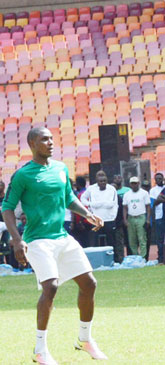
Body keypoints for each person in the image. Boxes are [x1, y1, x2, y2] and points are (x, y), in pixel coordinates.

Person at [1, 127, 107, 364]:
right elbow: (7, 207)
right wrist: (17, 239)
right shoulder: (23, 175)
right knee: (51, 287)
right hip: (38, 240)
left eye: (51, 138)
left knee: (89, 283)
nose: (50, 142)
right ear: (32, 144)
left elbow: (69, 198)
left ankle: (84, 339)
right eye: (44, 139)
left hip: (62, 237)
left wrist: (88, 214)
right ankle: (40, 351)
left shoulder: (60, 168)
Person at [80, 171, 118, 247]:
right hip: (95, 220)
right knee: (94, 242)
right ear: (96, 179)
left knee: (111, 242)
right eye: (99, 177)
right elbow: (82, 198)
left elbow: (112, 204)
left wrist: (113, 217)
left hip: (109, 220)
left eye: (104, 179)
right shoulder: (91, 188)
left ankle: (113, 258)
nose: (102, 182)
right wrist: (90, 205)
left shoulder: (111, 189)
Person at [123, 177, 151, 259]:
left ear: (138, 183)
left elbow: (148, 207)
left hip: (141, 217)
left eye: (135, 183)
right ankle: (136, 257)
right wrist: (125, 219)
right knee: (132, 240)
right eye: (132, 183)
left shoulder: (144, 193)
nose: (134, 185)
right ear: (130, 184)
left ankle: (143, 257)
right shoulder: (127, 194)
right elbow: (124, 207)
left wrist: (148, 219)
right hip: (131, 217)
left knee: (142, 238)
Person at [72, 176, 92, 248]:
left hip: (83, 222)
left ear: (78, 184)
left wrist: (80, 221)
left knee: (84, 243)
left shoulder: (81, 194)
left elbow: (82, 209)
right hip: (89, 221)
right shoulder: (88, 193)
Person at [150, 173, 165, 261]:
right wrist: (163, 198)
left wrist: (160, 198)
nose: (159, 180)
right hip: (159, 216)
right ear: (155, 180)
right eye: (157, 179)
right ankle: (161, 257)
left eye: (160, 178)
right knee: (160, 238)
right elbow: (153, 203)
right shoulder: (153, 190)